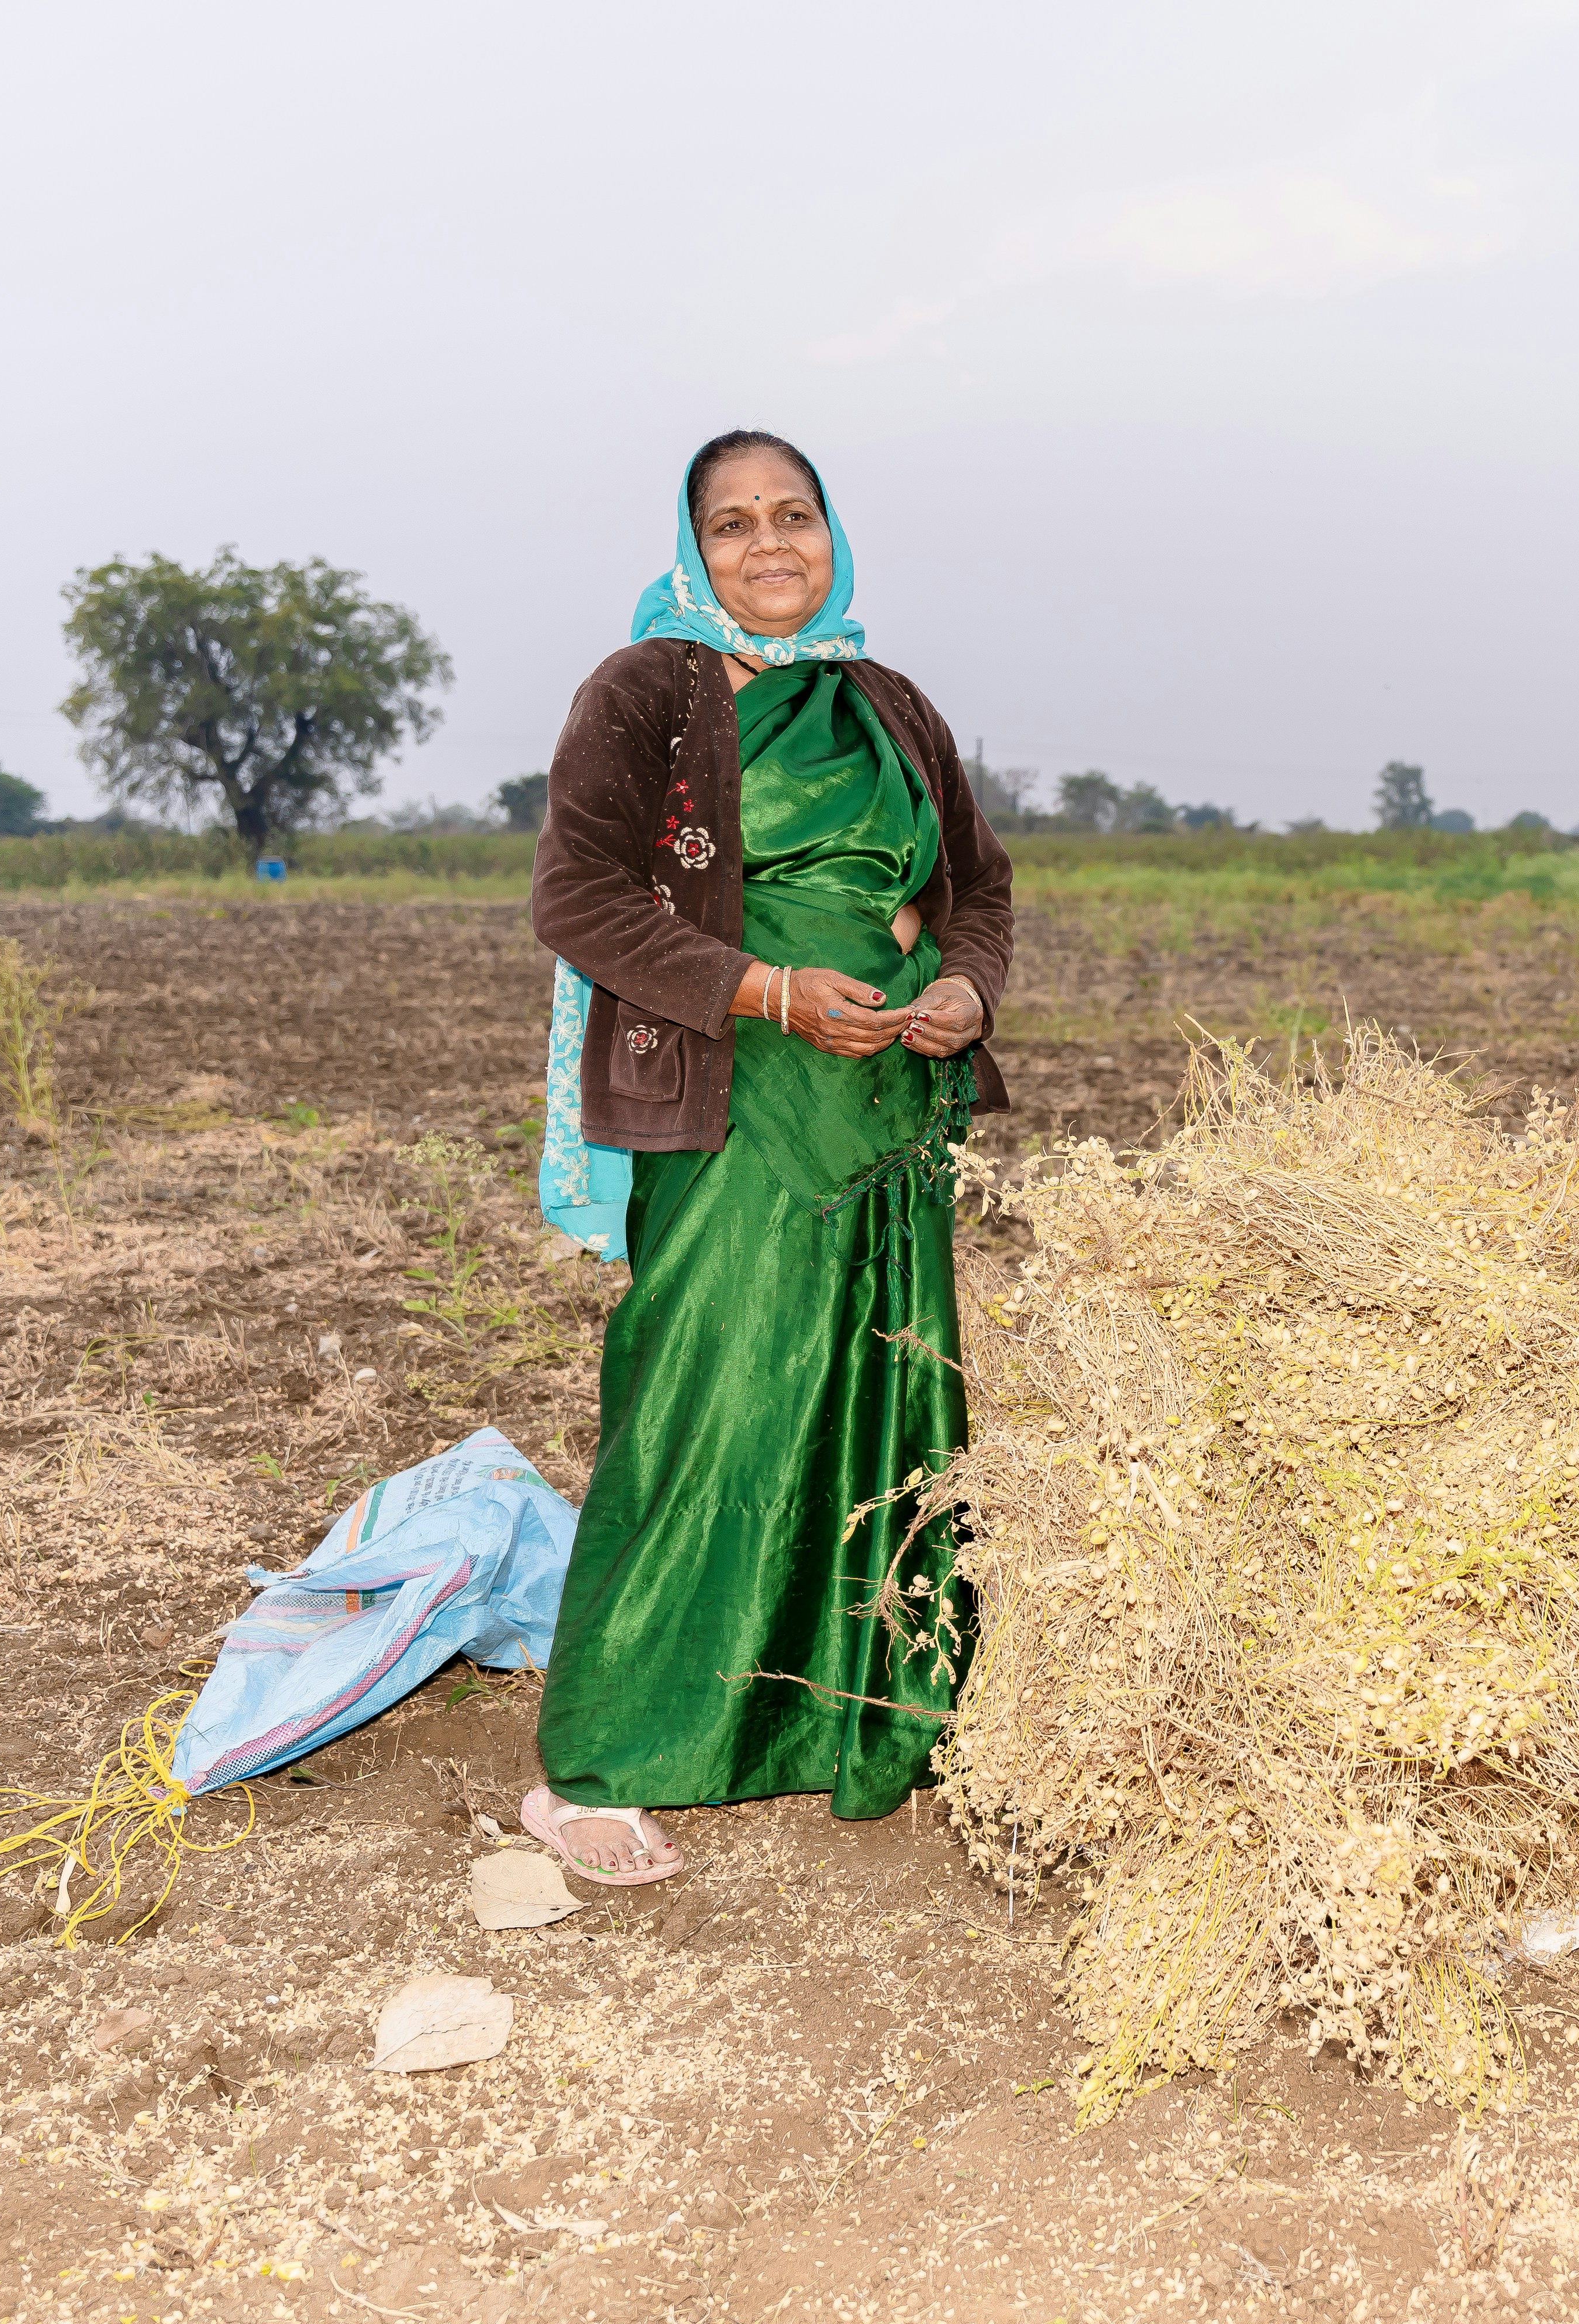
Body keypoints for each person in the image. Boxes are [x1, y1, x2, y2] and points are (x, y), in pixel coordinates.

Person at [520, 429, 1015, 1881]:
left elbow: (974, 885)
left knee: (881, 1410)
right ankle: (604, 1757)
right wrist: (771, 992)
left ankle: (865, 1722)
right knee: (705, 1403)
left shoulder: (890, 702)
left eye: (792, 516)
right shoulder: (647, 692)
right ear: (693, 551)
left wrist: (966, 992)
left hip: (888, 1118)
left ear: (834, 534)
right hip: (737, 1100)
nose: (769, 545)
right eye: (731, 524)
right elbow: (578, 896)